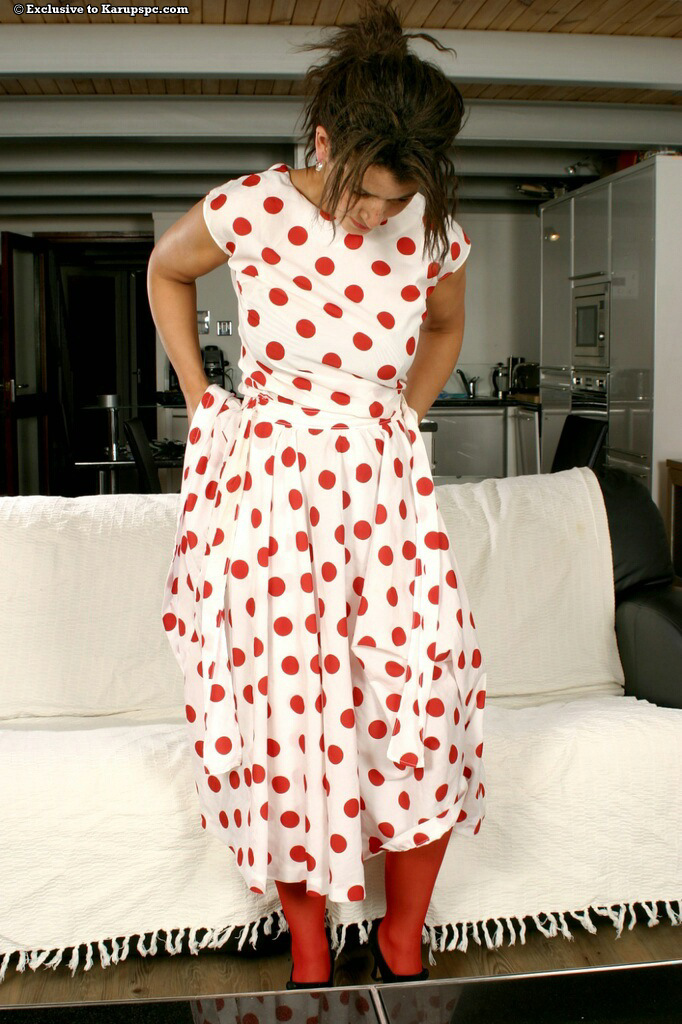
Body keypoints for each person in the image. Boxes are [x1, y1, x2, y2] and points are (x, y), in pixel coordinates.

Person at [148, 0, 487, 989]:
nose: (376, 218)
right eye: (366, 194)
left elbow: (443, 328)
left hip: (383, 498)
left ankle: (400, 938)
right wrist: (202, 397)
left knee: (419, 698)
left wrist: (402, 416)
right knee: (288, 715)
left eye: (395, 201)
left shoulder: (433, 231)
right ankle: (309, 951)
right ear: (325, 143)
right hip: (272, 494)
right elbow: (167, 270)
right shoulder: (252, 206)